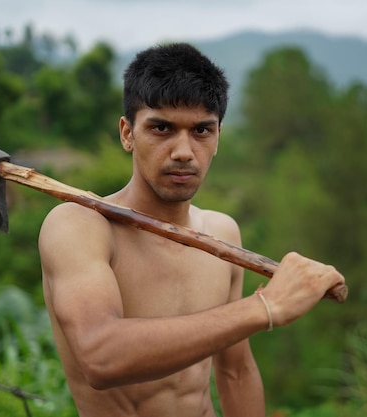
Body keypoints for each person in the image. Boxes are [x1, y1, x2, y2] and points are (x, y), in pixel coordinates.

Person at [38, 43, 345, 417]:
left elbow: (235, 371)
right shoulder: (79, 226)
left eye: (201, 130)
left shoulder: (222, 234)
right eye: (161, 128)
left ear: (217, 138)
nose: (183, 151)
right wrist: (265, 307)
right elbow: (101, 357)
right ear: (127, 133)